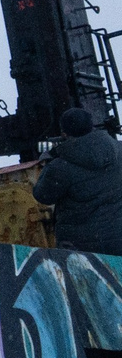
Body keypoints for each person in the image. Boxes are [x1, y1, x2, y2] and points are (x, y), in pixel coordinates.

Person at [32, 108, 122, 256]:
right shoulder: (119, 150)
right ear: (92, 126)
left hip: (80, 247)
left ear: (64, 133)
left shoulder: (60, 167)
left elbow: (42, 195)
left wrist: (48, 162)